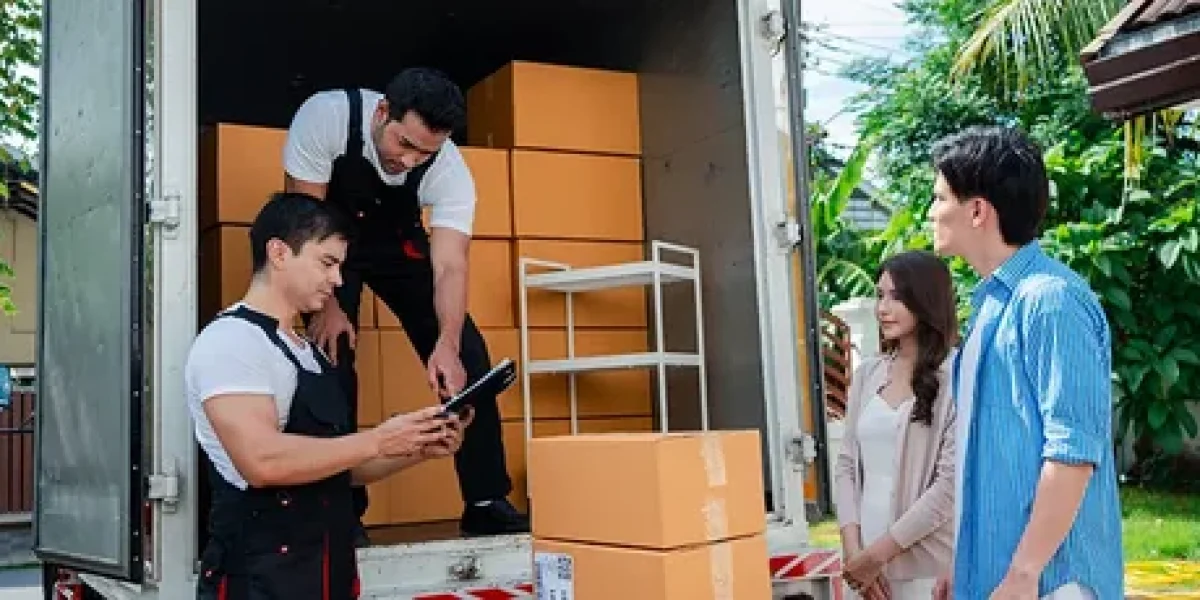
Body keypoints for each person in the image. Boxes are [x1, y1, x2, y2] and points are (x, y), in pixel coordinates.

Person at [282, 67, 528, 540]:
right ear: (382, 112)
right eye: (403, 143)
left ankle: (485, 501)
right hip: (325, 241)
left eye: (425, 153)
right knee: (332, 355)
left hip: (397, 243)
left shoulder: (449, 168)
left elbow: (450, 266)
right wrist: (327, 307)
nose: (409, 160)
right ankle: (341, 512)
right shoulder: (325, 118)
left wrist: (448, 344)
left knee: (471, 361)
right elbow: (303, 226)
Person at [187, 192, 472, 599]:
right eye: (327, 263)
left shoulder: (308, 352)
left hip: (325, 577)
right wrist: (378, 439)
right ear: (279, 253)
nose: (338, 280)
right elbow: (262, 461)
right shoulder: (231, 342)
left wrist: (419, 444)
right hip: (259, 582)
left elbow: (337, 466)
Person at [928, 126, 1124, 599]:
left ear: (977, 211)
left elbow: (1072, 452)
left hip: (1051, 583)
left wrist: (1023, 572)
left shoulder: (1050, 301)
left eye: (938, 198)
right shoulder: (993, 303)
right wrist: (966, 563)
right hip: (999, 576)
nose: (931, 212)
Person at [833, 250, 958, 600]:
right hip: (864, 568)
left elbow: (948, 487)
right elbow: (846, 467)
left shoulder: (956, 377)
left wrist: (878, 555)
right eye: (880, 295)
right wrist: (854, 552)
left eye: (897, 297)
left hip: (925, 569)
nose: (883, 308)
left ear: (926, 299)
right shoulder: (867, 375)